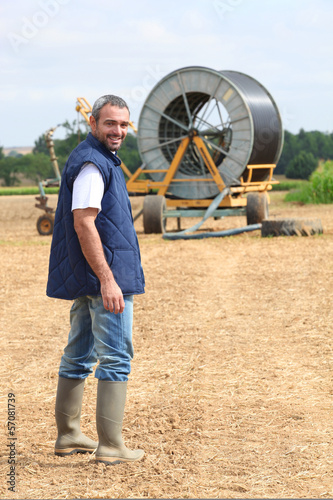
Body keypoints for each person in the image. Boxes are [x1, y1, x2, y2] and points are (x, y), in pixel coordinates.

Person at [46, 95, 145, 465]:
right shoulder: (93, 163)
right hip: (103, 279)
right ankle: (111, 446)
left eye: (123, 124)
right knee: (116, 358)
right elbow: (84, 222)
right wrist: (108, 279)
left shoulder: (100, 159)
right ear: (92, 123)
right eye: (110, 124)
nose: (117, 131)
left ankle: (69, 434)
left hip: (89, 277)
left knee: (79, 355)